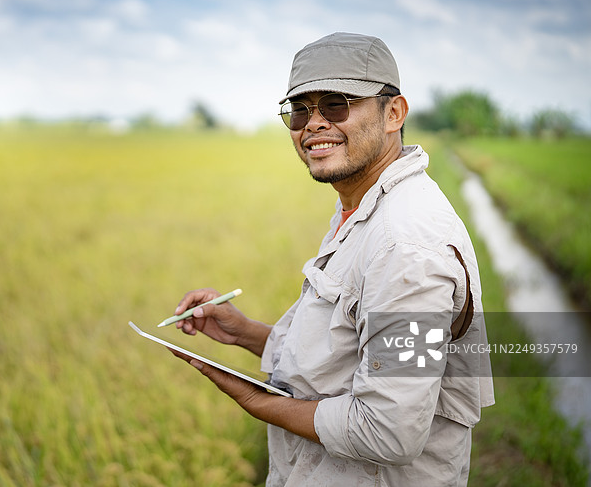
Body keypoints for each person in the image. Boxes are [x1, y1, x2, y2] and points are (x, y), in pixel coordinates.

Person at [169, 32, 494, 486]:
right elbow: (350, 358)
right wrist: (245, 333)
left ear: (394, 113)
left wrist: (254, 398)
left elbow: (388, 432)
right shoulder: (362, 209)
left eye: (337, 104)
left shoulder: (406, 248)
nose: (314, 124)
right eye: (300, 110)